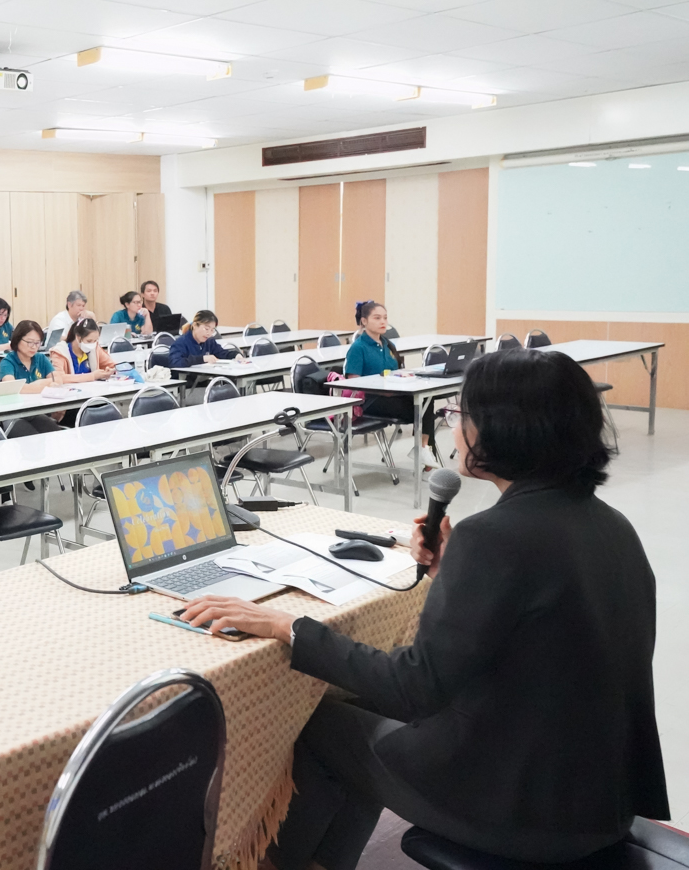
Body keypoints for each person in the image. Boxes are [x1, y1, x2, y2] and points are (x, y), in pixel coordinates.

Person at [180, 349, 666, 870]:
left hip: (520, 812)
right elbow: (536, 641)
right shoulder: (612, 525)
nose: (454, 426)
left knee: (317, 723)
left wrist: (287, 625)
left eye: (461, 413)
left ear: (502, 430)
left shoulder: (494, 538)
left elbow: (413, 687)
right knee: (360, 712)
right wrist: (451, 574)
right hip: (598, 800)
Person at [346, 300, 438, 468]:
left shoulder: (389, 345)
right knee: (421, 411)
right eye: (377, 318)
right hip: (370, 400)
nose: (383, 322)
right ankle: (424, 452)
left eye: (385, 318)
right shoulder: (358, 348)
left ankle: (424, 448)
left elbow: (395, 372)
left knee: (426, 400)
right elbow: (353, 384)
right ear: (364, 321)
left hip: (393, 394)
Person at [0, 322, 65, 436]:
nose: (34, 347)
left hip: (35, 411)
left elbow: (58, 379)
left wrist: (37, 384)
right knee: (33, 439)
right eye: (29, 342)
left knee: (56, 434)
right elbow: (12, 388)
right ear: (18, 340)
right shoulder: (8, 362)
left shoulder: (40, 358)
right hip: (13, 414)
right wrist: (45, 385)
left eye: (37, 343)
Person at [169, 310, 246, 368]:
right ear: (195, 325)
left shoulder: (209, 341)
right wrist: (202, 359)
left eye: (212, 330)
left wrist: (236, 355)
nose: (209, 333)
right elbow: (175, 362)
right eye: (206, 329)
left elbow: (222, 353)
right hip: (188, 382)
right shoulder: (181, 343)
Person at [48, 318, 114, 383]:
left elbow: (111, 365)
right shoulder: (60, 352)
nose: (92, 344)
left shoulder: (94, 348)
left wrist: (108, 371)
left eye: (95, 341)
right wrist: (92, 376)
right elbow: (58, 378)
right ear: (77, 337)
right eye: (89, 341)